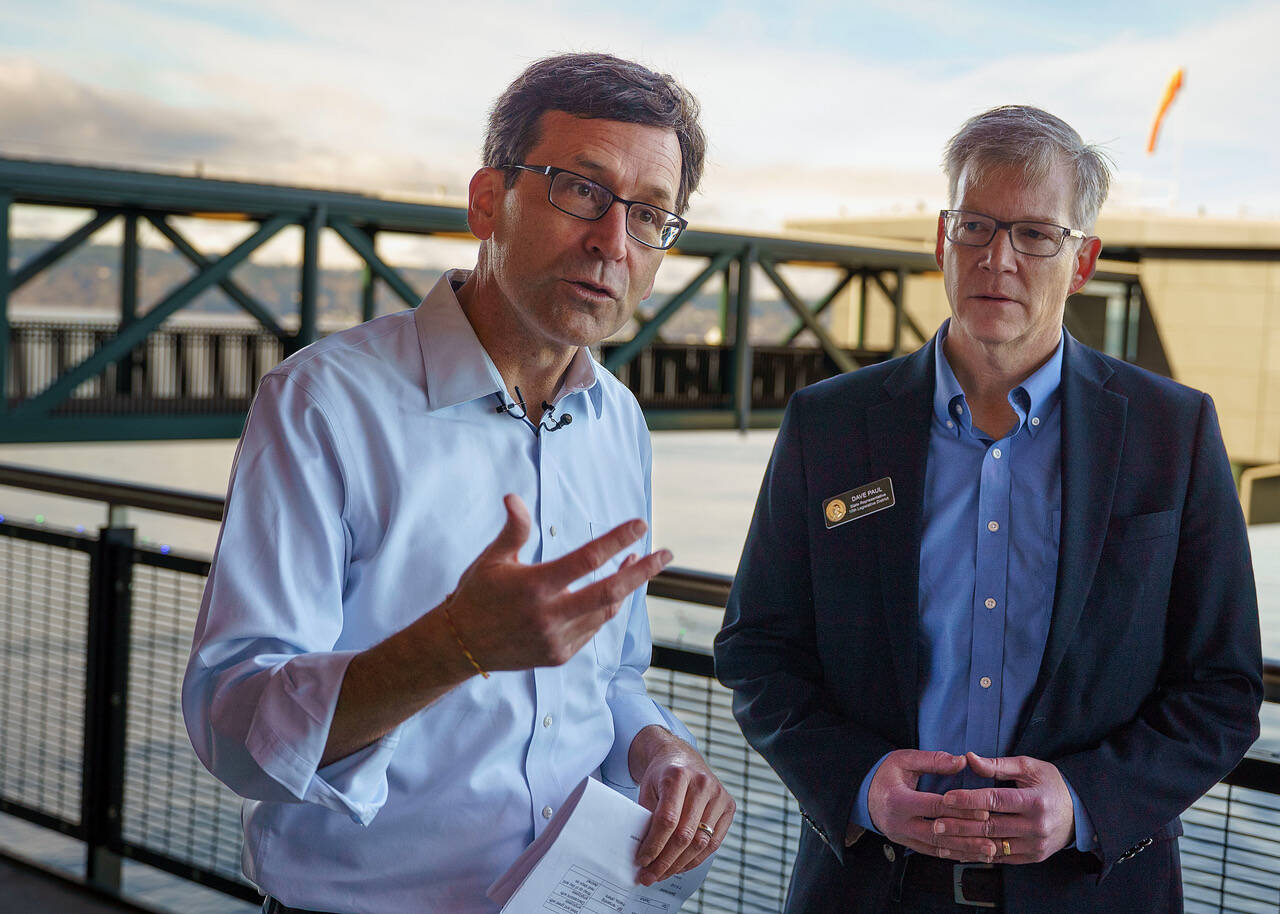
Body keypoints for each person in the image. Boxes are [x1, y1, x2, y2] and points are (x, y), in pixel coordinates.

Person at [183, 52, 734, 914]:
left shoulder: (619, 420)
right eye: (580, 190)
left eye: (651, 214)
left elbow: (613, 677)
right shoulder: (325, 401)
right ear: (487, 201)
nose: (612, 242)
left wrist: (657, 748)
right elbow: (236, 731)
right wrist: (453, 647)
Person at [714, 105, 1262, 913]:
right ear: (943, 239)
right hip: (870, 890)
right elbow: (759, 650)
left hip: (1091, 892)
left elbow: (1221, 687)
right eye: (975, 226)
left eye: (1036, 235)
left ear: (1082, 262)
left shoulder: (1172, 433)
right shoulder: (827, 423)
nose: (997, 259)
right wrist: (863, 786)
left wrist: (1085, 802)